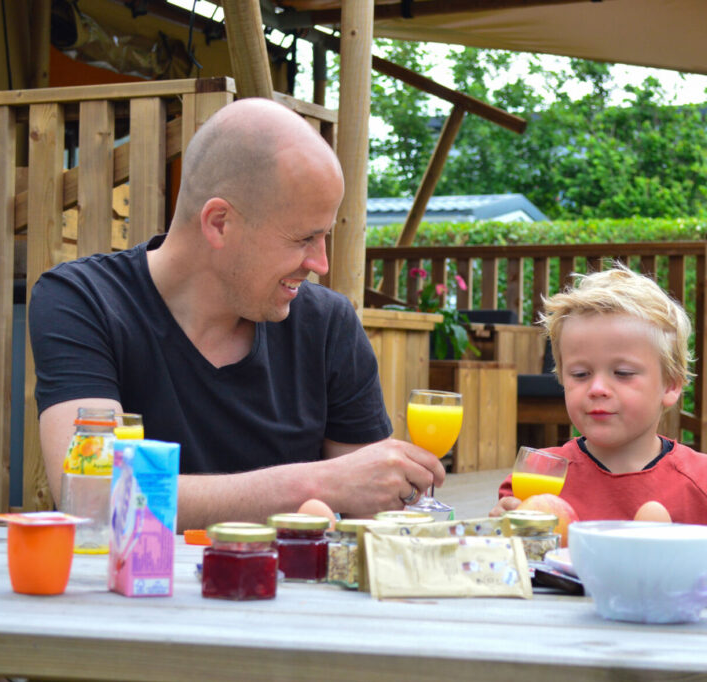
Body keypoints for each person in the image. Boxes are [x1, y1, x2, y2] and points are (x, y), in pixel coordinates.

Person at [29, 98, 443, 531]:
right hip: (132, 595)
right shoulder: (83, 301)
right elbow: (95, 497)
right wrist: (316, 483)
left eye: (325, 236)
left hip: (290, 597)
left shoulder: (327, 325)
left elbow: (375, 511)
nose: (320, 263)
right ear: (219, 222)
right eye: (305, 237)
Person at [491, 264, 707, 554]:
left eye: (623, 372)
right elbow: (509, 572)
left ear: (670, 386)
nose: (597, 388)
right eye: (580, 374)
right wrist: (498, 539)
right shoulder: (537, 477)